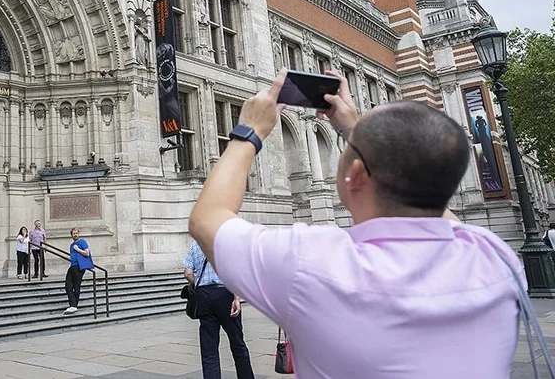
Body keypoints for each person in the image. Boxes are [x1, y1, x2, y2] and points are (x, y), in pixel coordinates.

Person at [188, 68, 526, 378]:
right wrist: (355, 129)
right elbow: (431, 202)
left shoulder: (312, 263)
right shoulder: (498, 258)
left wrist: (249, 130)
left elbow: (207, 219)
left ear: (357, 174)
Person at [183, 241, 254, 379]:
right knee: (237, 342)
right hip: (225, 293)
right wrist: (236, 298)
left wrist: (197, 284)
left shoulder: (196, 244)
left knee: (209, 348)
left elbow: (187, 273)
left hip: (204, 296)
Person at [64, 227, 93, 315]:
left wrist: (78, 250)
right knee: (68, 286)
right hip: (72, 266)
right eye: (73, 233)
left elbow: (87, 253)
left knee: (76, 287)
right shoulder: (71, 245)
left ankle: (73, 305)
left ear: (78, 234)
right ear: (71, 235)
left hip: (79, 267)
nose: (75, 235)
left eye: (76, 233)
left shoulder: (82, 242)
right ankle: (73, 305)